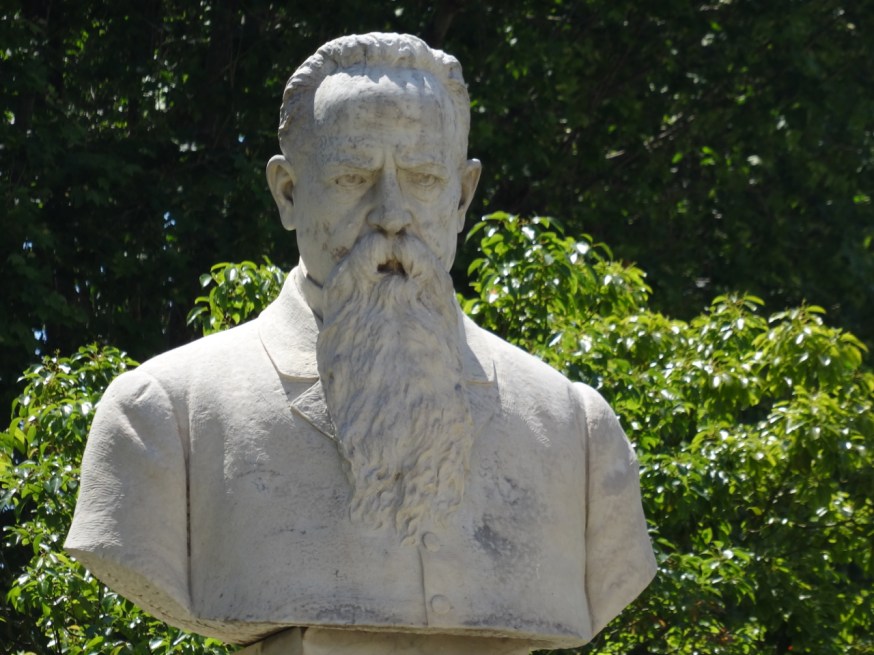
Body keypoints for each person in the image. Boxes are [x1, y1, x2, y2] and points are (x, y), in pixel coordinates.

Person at [66, 33, 656, 654]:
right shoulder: (162, 417)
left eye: (424, 178)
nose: (392, 212)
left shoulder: (576, 431)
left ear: (462, 196)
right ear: (288, 192)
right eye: (353, 177)